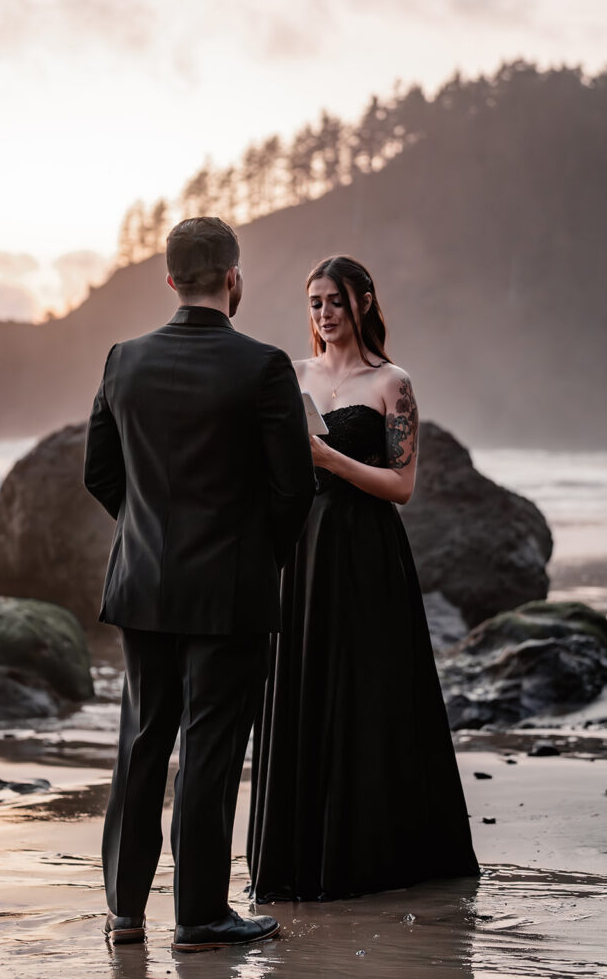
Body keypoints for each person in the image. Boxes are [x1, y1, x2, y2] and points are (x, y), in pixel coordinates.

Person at [84, 217, 315, 950]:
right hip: (230, 590)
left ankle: (124, 914)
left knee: (142, 743)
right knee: (209, 750)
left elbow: (99, 472)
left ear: (171, 280)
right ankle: (199, 917)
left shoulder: (124, 359)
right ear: (233, 278)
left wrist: (151, 531)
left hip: (143, 584)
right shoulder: (264, 365)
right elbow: (292, 489)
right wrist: (255, 556)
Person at [248, 254, 479, 901]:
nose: (324, 314)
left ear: (364, 304)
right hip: (301, 550)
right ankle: (297, 861)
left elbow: (401, 486)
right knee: (302, 689)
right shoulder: (289, 377)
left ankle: (374, 859)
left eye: (336, 302)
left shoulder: (391, 383)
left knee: (370, 693)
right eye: (315, 302)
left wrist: (324, 456)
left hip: (366, 550)